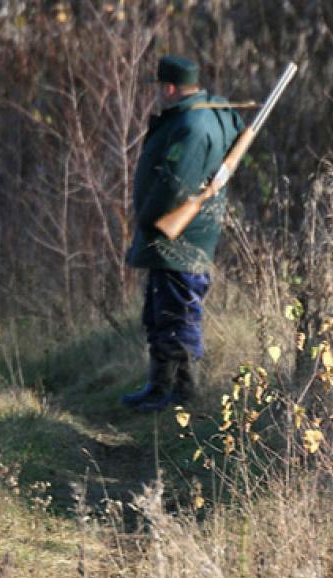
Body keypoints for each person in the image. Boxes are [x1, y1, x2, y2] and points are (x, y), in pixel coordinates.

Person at [121, 55, 245, 412]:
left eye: (160, 87)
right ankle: (159, 387)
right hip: (176, 239)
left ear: (170, 87)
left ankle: (182, 395)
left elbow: (175, 185)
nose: (158, 94)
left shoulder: (192, 125)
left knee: (178, 318)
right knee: (160, 314)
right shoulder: (205, 115)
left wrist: (148, 218)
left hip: (179, 239)